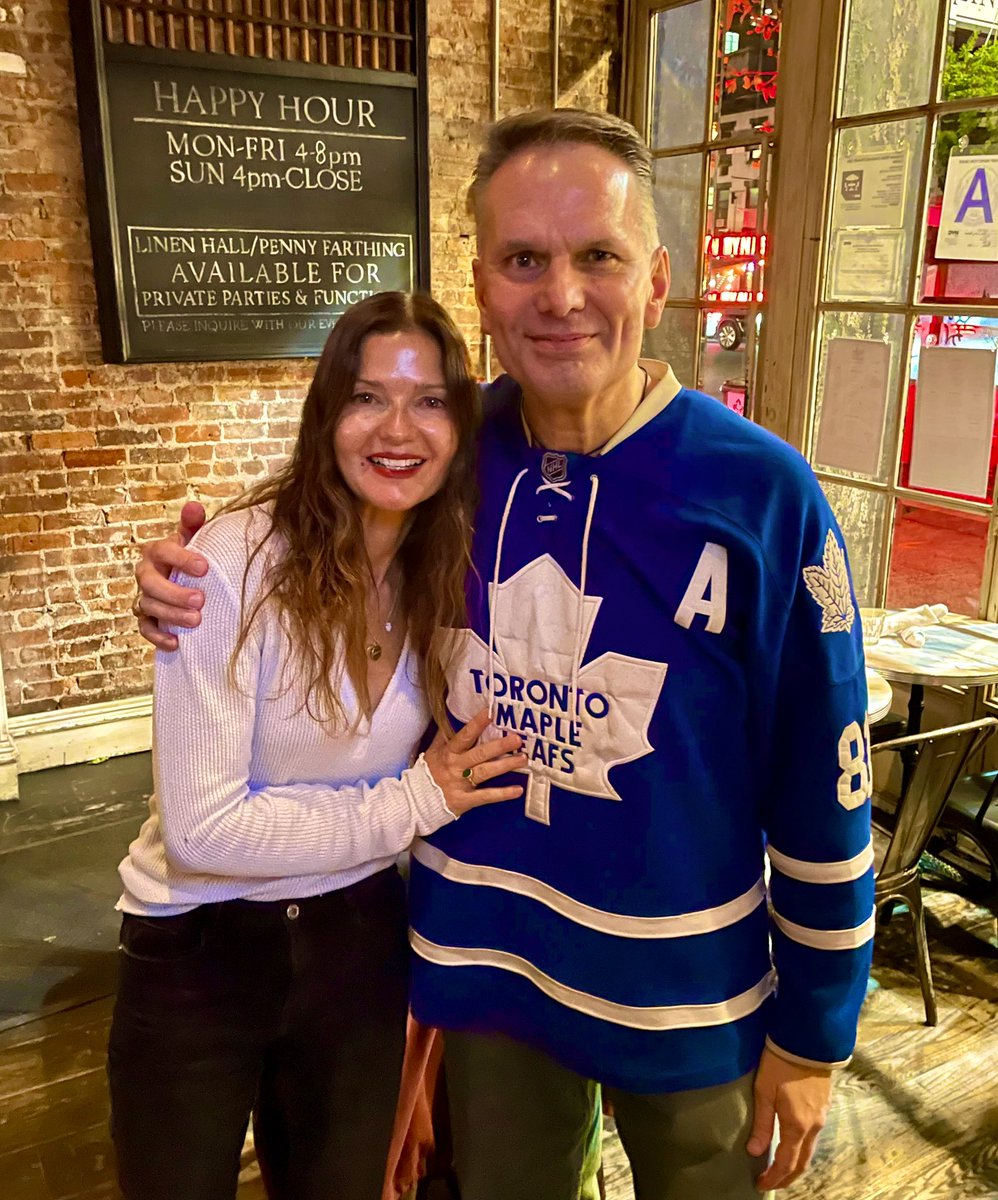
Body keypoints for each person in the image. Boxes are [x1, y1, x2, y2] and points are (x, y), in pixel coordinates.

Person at [134, 110, 875, 1200]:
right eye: (524, 259)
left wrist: (814, 1032)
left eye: (597, 258)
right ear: (480, 284)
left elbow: (826, 777)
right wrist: (182, 573)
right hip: (481, 971)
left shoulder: (763, 495)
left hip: (690, 991)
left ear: (658, 280)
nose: (560, 296)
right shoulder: (441, 452)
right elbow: (300, 525)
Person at [110, 290, 527, 1200]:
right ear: (326, 413)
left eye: (428, 402)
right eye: (367, 396)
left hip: (357, 940)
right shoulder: (232, 564)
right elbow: (204, 834)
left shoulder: (447, 572)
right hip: (197, 950)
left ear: (460, 429)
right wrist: (416, 800)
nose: (397, 429)